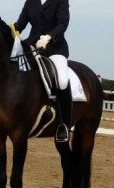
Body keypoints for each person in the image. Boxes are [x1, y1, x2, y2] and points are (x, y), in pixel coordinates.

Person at [13, 0, 72, 142]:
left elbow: (62, 23)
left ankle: (64, 125)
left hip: (55, 48)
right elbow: (20, 25)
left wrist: (48, 37)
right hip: (32, 46)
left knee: (63, 80)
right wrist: (5, 30)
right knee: (13, 69)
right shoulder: (30, 2)